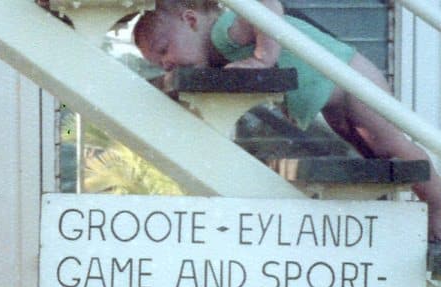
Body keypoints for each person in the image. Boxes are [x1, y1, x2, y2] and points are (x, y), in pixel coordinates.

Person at [133, 0, 441, 242]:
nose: (166, 63)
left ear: (191, 20)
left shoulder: (224, 29)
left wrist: (263, 58)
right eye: (157, 62)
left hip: (351, 81)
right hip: (335, 93)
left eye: (164, 50)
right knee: (377, 157)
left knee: (392, 146)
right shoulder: (215, 52)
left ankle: (437, 205)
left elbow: (269, 7)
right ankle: (416, 209)